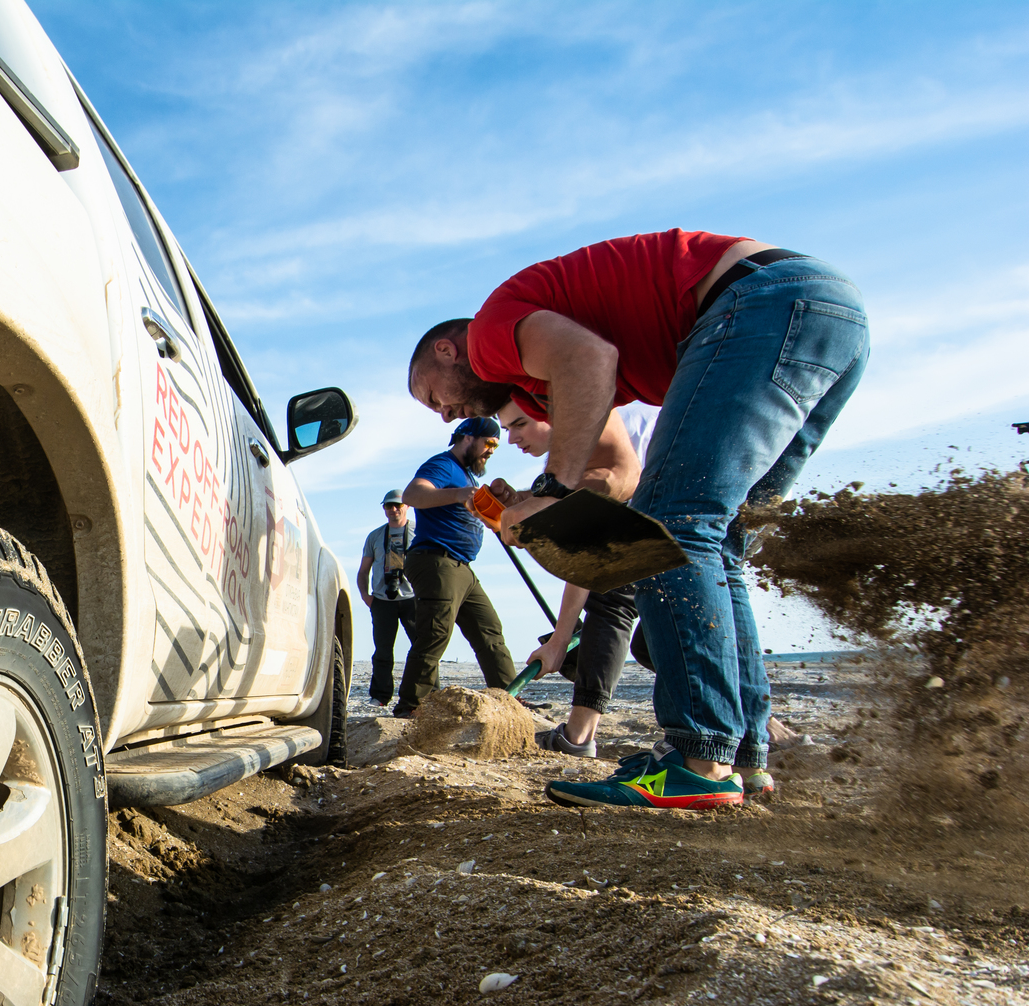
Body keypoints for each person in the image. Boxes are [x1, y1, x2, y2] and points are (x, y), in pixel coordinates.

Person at [407, 231, 868, 810]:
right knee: (720, 545)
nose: (446, 413)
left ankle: (702, 761)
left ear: (448, 352)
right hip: (826, 316)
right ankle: (745, 758)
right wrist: (540, 504)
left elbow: (589, 359)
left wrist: (554, 489)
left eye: (432, 396)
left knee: (679, 526)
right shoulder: (544, 383)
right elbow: (620, 473)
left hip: (760, 301)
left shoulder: (491, 333)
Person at [493, 403, 642, 760]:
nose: (511, 439)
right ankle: (758, 729)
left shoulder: (592, 439)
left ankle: (577, 737)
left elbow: (587, 561)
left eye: (520, 424)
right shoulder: (571, 454)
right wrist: (522, 502)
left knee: (611, 602)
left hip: (706, 489)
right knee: (651, 644)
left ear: (549, 410)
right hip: (656, 495)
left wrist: (561, 640)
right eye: (506, 429)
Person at [393, 416, 518, 716]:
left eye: (496, 447)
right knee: (435, 633)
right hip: (436, 560)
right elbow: (412, 494)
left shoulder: (468, 475)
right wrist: (459, 494)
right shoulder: (443, 465)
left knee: (489, 631)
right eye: (488, 443)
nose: (491, 451)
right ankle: (411, 707)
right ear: (467, 438)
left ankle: (509, 699)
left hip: (462, 567)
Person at [356, 490, 418, 707]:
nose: (393, 510)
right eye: (388, 506)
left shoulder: (419, 532)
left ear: (407, 506)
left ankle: (427, 694)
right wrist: (366, 597)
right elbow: (363, 570)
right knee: (382, 651)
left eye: (397, 505)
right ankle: (381, 696)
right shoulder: (374, 536)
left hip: (413, 598)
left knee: (423, 648)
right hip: (382, 601)